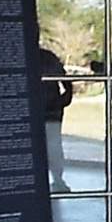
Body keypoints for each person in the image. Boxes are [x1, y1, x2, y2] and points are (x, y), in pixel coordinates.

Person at [34, 41, 74, 193]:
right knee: (49, 143)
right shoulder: (40, 57)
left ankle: (57, 177)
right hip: (45, 107)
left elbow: (65, 80)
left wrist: (65, 97)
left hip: (51, 108)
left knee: (53, 143)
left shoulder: (46, 57)